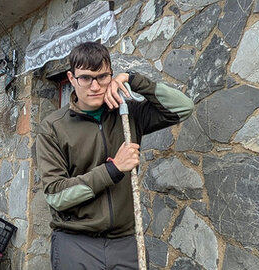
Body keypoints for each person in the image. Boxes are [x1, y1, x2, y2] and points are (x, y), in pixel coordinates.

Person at [36, 41, 193, 269]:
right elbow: (56, 196)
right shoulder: (53, 127)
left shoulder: (127, 114)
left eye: (102, 77)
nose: (95, 86)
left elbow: (183, 107)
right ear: (71, 79)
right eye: (85, 78)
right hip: (76, 242)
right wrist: (113, 169)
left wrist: (132, 79)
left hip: (126, 241)